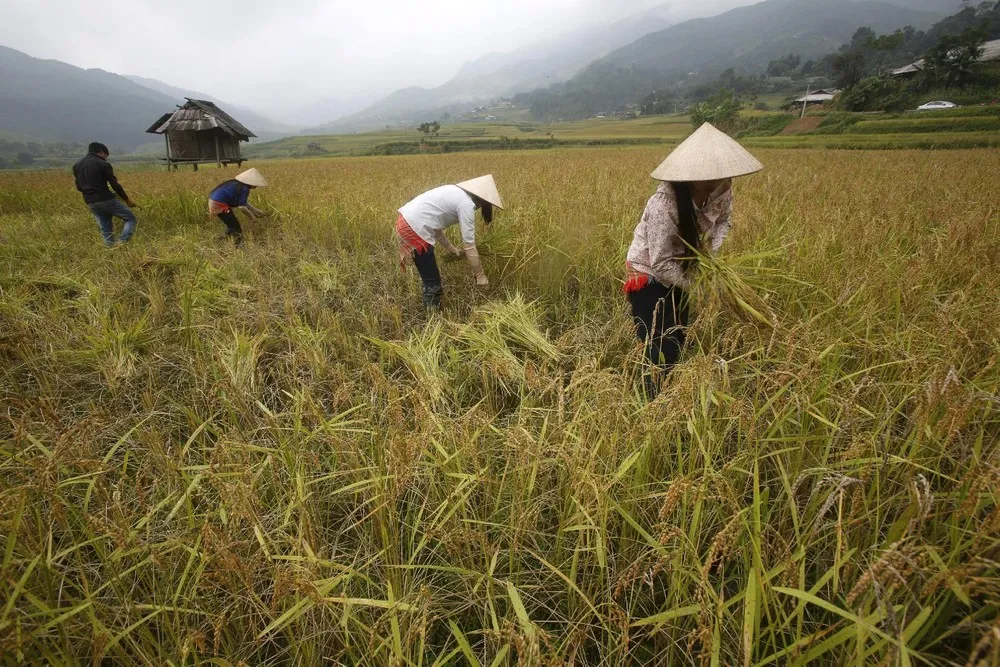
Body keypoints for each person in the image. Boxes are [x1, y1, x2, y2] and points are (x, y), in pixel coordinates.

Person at [624, 122, 763, 397]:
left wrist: (709, 255)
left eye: (719, 174)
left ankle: (669, 387)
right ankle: (653, 400)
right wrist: (699, 286)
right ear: (688, 176)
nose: (716, 181)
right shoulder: (664, 205)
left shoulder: (722, 188)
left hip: (686, 266)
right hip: (649, 271)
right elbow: (661, 262)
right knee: (660, 342)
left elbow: (724, 221)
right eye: (707, 176)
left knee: (679, 331)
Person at [396, 175, 504, 310]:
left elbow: (434, 225)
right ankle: (431, 317)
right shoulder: (466, 204)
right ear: (483, 201)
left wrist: (451, 248)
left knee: (429, 274)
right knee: (432, 283)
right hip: (414, 228)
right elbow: (469, 245)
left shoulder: (454, 191)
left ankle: (432, 309)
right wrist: (480, 275)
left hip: (405, 221)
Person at [72, 142, 139, 247]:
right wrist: (126, 199)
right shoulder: (103, 164)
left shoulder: (77, 165)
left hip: (89, 201)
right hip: (105, 198)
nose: (105, 158)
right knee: (130, 218)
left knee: (105, 224)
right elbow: (114, 184)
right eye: (106, 155)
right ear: (102, 151)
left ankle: (109, 246)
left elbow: (79, 187)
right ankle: (122, 242)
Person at [208, 168, 269, 246]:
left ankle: (219, 242)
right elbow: (242, 207)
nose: (256, 186)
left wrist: (257, 211)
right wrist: (253, 218)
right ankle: (239, 246)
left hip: (214, 202)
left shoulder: (237, 184)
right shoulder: (244, 188)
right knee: (236, 228)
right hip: (220, 205)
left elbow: (244, 203)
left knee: (231, 225)